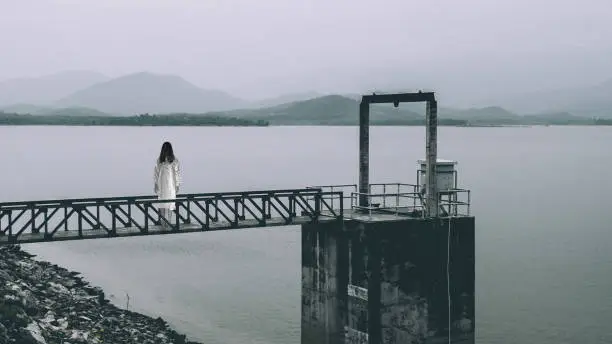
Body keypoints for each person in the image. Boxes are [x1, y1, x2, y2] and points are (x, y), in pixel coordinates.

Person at [154, 141, 181, 228]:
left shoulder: (174, 160)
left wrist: (177, 185)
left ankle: (168, 222)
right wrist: (155, 184)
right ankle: (163, 222)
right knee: (162, 203)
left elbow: (177, 173)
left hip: (170, 184)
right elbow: (156, 172)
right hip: (162, 184)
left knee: (170, 203)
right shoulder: (159, 160)